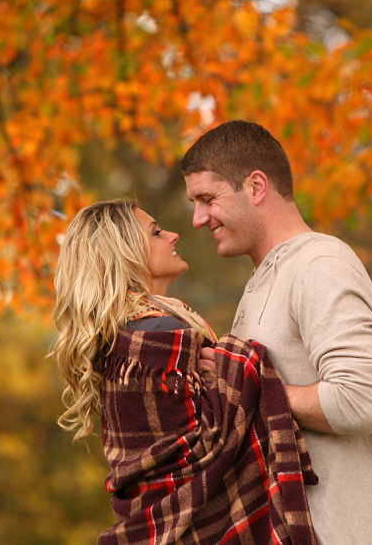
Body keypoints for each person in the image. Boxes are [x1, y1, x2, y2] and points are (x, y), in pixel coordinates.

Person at [52, 199, 320, 544]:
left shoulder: (122, 337)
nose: (174, 235)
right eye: (156, 232)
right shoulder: (157, 336)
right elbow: (205, 451)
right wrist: (242, 367)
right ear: (124, 252)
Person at [181, 120, 372, 545]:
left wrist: (247, 388)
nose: (197, 219)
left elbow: (362, 400)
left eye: (207, 198)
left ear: (256, 186)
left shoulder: (320, 265)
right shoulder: (268, 277)